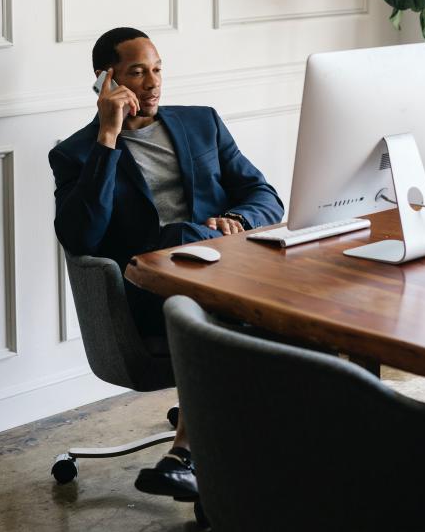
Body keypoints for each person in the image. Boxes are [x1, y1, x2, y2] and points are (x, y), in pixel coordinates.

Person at [49, 26, 284, 501]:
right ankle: (203, 449)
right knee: (181, 241)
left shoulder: (203, 123)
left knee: (229, 290)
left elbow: (265, 196)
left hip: (226, 277)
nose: (152, 82)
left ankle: (188, 452)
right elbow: (80, 235)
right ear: (106, 81)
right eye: (136, 72)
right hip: (145, 291)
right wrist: (108, 137)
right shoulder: (76, 154)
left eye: (157, 69)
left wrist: (237, 219)